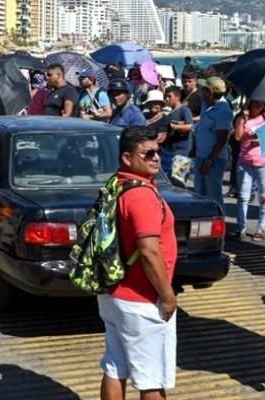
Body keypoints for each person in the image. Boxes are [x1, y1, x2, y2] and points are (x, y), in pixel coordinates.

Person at [98, 126, 177, 400]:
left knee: (114, 366)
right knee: (151, 380)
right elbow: (148, 252)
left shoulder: (117, 184)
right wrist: (167, 296)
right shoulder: (141, 195)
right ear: (127, 158)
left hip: (114, 292)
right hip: (141, 299)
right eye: (148, 153)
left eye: (158, 151)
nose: (156, 158)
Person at [233, 100, 265, 240]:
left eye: (261, 104)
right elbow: (237, 137)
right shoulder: (243, 117)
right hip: (245, 162)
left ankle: (261, 229)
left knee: (264, 197)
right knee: (243, 197)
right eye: (255, 103)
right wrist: (241, 120)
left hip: (263, 163)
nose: (258, 106)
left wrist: (260, 140)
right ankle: (241, 228)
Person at [192, 77, 232, 207]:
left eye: (204, 89)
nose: (201, 91)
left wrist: (209, 162)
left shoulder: (224, 111)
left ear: (209, 92)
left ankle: (220, 224)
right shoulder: (206, 104)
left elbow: (222, 140)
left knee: (214, 197)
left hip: (214, 161)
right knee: (199, 195)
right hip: (200, 156)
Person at [162, 87, 193, 187]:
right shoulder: (170, 112)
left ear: (177, 97)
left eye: (169, 96)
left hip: (182, 152)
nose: (167, 99)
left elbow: (190, 126)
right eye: (165, 96)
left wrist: (174, 126)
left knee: (178, 181)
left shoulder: (184, 110)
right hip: (170, 150)